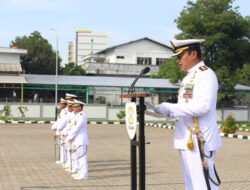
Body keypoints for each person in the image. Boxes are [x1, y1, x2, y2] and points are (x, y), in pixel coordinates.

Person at [146, 39, 222, 190]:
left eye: (180, 56)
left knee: (203, 185)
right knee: (192, 185)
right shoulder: (188, 77)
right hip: (186, 139)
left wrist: (170, 107)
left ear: (193, 53)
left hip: (200, 140)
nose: (178, 61)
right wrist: (159, 111)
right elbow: (185, 108)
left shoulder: (205, 75)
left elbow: (204, 107)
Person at [66, 99, 88, 180]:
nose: (74, 108)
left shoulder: (82, 116)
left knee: (82, 158)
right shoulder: (77, 115)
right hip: (76, 140)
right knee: (78, 157)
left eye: (76, 106)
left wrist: (69, 137)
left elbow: (76, 128)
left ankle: (84, 174)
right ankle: (80, 172)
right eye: (74, 106)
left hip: (81, 140)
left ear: (80, 107)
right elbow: (72, 127)